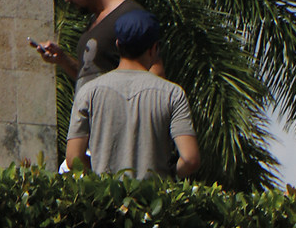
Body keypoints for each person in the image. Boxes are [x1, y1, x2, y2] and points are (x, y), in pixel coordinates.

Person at [64, 11, 201, 179]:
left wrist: (98, 175)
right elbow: (190, 159)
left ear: (118, 44)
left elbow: (73, 159)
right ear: (154, 48)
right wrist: (169, 175)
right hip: (154, 201)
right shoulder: (172, 94)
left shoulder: (89, 92)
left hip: (105, 200)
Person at [31, 0, 166, 94]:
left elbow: (155, 73)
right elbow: (90, 78)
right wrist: (63, 59)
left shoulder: (130, 16)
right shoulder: (94, 21)